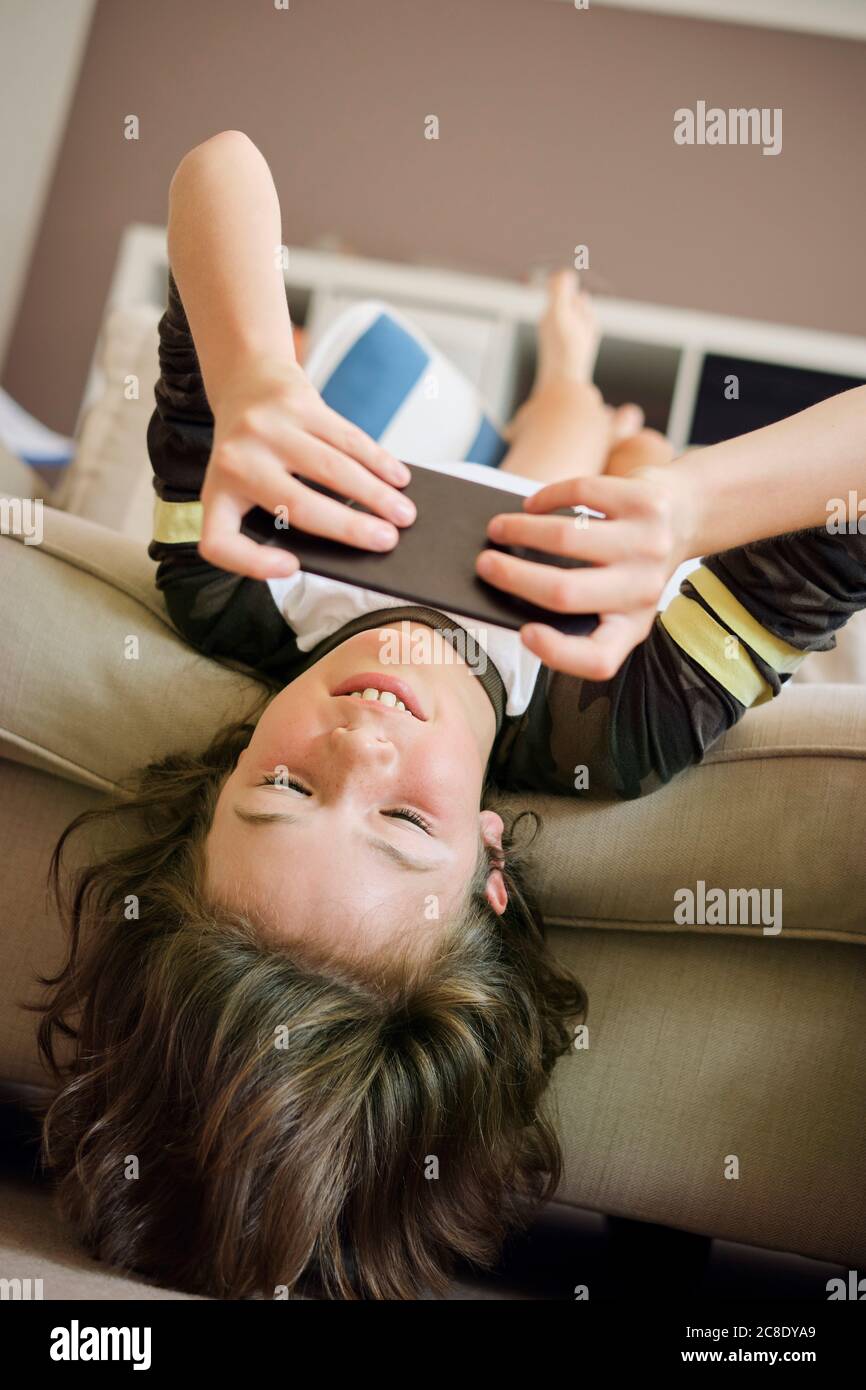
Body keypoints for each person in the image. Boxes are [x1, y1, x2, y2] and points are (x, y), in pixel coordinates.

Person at [35, 131, 866, 1301]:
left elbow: (216, 164)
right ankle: (590, 395)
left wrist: (253, 379)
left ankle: (561, 374)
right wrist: (687, 504)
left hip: (423, 482)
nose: (360, 743)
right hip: (595, 536)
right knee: (606, 445)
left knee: (544, 437)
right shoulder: (605, 731)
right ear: (489, 862)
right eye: (398, 824)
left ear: (217, 781)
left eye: (284, 790)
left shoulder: (232, 582)